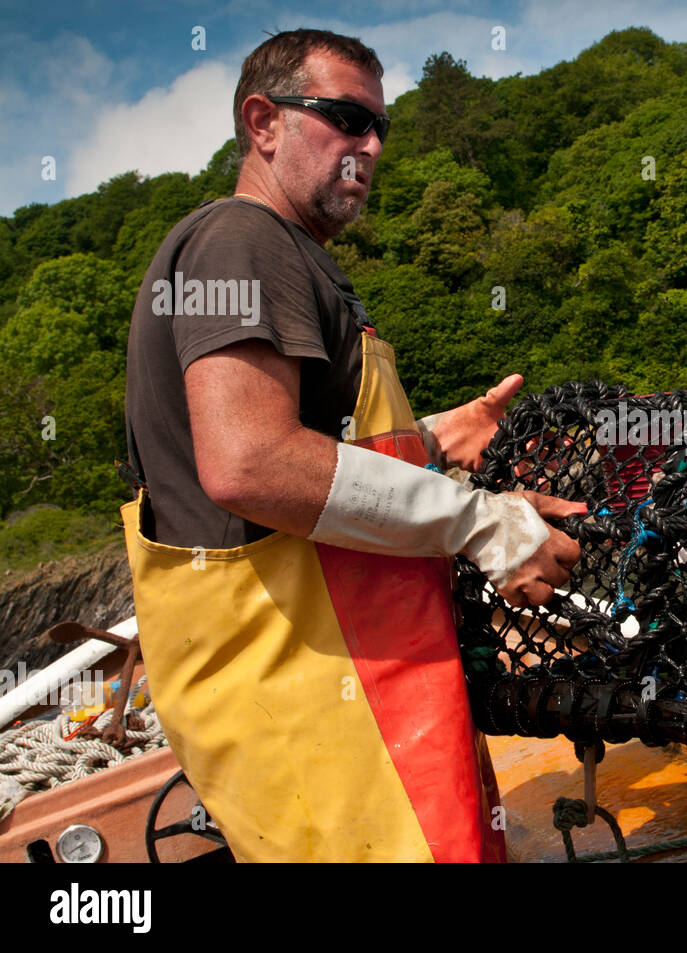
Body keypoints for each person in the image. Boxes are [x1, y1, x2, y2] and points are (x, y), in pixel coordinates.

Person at [121, 28, 582, 862]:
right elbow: (251, 462)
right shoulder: (240, 239)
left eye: (381, 127)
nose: (368, 145)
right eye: (343, 117)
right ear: (263, 122)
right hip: (312, 701)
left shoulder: (298, 261)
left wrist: (437, 437)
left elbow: (316, 448)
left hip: (362, 693)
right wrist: (484, 523)